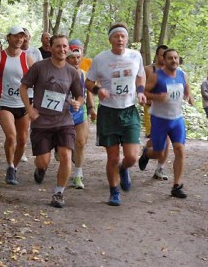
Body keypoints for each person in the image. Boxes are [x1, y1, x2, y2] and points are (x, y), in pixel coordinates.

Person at [85, 23, 147, 206]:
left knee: (132, 157)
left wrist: (141, 91)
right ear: (110, 39)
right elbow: (88, 82)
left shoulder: (135, 56)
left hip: (129, 110)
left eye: (123, 36)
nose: (120, 39)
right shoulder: (101, 59)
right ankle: (114, 191)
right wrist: (98, 90)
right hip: (108, 112)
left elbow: (141, 76)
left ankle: (124, 168)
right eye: (116, 36)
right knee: (112, 156)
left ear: (127, 39)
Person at [20, 34, 84, 208]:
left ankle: (59, 193)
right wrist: (29, 108)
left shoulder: (72, 71)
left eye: (65, 46)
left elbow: (80, 95)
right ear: (51, 48)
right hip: (42, 122)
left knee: (65, 156)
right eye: (58, 46)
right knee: (43, 161)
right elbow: (24, 86)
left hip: (64, 121)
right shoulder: (40, 67)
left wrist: (78, 102)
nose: (62, 49)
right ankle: (40, 169)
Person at [139, 49, 195, 199]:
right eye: (170, 58)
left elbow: (186, 86)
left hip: (177, 119)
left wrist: (189, 96)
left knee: (180, 149)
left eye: (176, 58)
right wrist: (157, 96)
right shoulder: (157, 76)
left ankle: (177, 185)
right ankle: (146, 153)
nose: (174, 61)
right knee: (159, 153)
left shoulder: (182, 74)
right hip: (159, 119)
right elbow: (144, 92)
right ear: (164, 59)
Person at [0, 26, 33, 185]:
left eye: (22, 37)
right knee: (11, 137)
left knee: (23, 140)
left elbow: (37, 79)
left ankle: (14, 169)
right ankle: (10, 165)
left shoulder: (27, 59)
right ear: (8, 38)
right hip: (5, 103)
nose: (19, 39)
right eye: (16, 36)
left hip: (23, 104)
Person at [66, 43, 97, 189]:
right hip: (62, 112)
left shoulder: (84, 74)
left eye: (78, 57)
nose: (76, 60)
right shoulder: (61, 72)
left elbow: (88, 92)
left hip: (80, 111)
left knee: (80, 142)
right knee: (65, 145)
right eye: (72, 58)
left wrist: (91, 108)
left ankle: (77, 175)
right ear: (67, 59)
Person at [144, 45, 170, 181]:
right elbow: (141, 88)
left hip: (166, 112)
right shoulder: (149, 70)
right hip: (151, 111)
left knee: (167, 141)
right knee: (154, 140)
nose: (163, 58)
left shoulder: (171, 71)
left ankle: (159, 168)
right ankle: (146, 152)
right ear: (157, 55)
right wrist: (146, 98)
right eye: (161, 55)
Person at [21, 27, 43, 163]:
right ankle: (20, 149)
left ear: (29, 37)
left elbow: (40, 69)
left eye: (26, 36)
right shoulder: (13, 53)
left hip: (31, 92)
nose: (24, 39)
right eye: (21, 36)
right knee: (20, 126)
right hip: (17, 92)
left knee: (27, 125)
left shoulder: (35, 52)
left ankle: (23, 150)